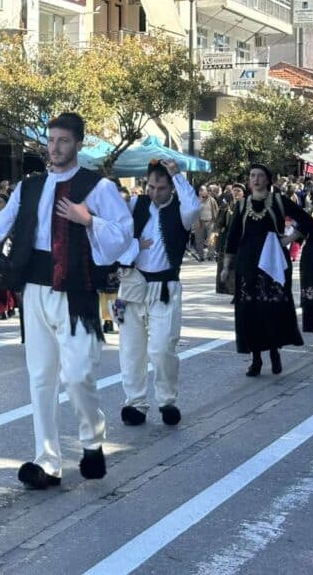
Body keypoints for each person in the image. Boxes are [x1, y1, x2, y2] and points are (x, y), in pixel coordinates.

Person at [0, 113, 133, 490]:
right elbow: (3, 224)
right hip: (34, 287)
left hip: (76, 292)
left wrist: (88, 221)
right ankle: (47, 461)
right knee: (40, 378)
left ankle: (92, 438)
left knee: (79, 374)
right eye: (51, 140)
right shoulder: (30, 186)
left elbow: (124, 237)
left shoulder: (96, 187)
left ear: (78, 144)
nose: (55, 147)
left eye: (63, 140)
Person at [115, 159, 200, 427]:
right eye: (150, 186)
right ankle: (136, 403)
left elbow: (194, 206)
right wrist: (133, 245)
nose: (154, 192)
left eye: (161, 188)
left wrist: (178, 175)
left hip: (165, 287)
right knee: (131, 348)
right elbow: (114, 233)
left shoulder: (182, 210)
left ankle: (166, 400)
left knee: (163, 347)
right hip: (132, 283)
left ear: (171, 188)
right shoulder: (135, 205)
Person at [220, 164, 312, 377]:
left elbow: (305, 219)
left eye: (260, 176)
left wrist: (289, 238)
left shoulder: (278, 201)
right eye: (253, 176)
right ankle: (256, 359)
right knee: (249, 312)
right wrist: (226, 267)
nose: (256, 179)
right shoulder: (242, 205)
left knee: (272, 310)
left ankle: (274, 352)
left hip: (273, 266)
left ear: (268, 180)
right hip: (248, 265)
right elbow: (232, 238)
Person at [215, 183, 245, 295]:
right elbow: (219, 222)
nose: (236, 193)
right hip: (227, 237)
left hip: (240, 239)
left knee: (237, 265)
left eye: (239, 191)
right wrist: (215, 233)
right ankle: (226, 288)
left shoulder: (246, 206)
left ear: (243, 193)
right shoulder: (226, 205)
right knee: (225, 263)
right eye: (234, 190)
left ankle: (238, 289)